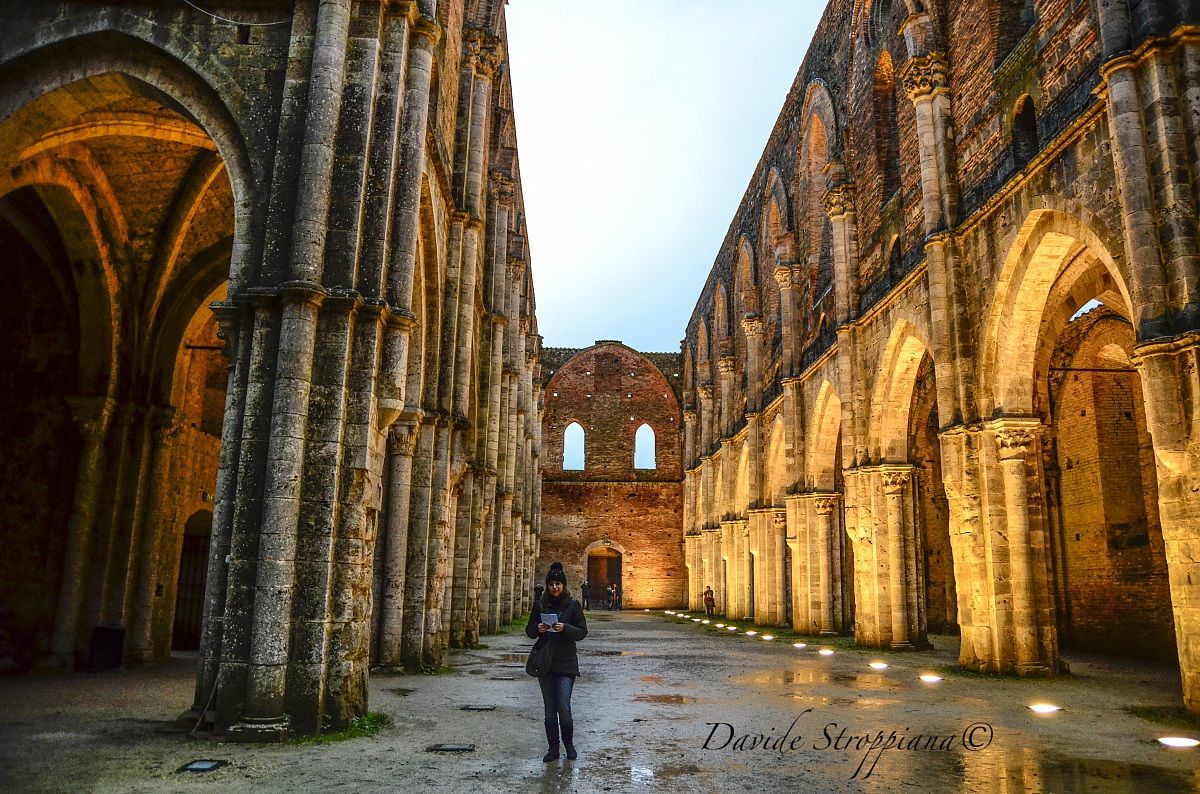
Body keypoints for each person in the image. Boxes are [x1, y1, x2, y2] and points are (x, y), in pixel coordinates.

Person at [525, 562, 588, 762]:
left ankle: (569, 745)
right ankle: (553, 749)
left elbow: (582, 632)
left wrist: (565, 628)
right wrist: (539, 629)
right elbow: (529, 630)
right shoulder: (541, 604)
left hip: (565, 662)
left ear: (564, 585)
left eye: (558, 583)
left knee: (563, 706)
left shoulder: (573, 605)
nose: (554, 587)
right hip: (545, 663)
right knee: (549, 709)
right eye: (551, 583)